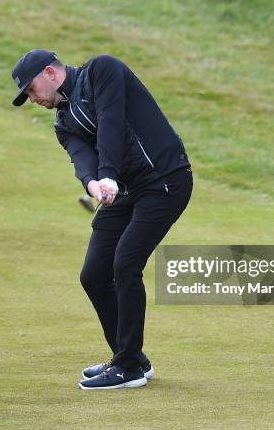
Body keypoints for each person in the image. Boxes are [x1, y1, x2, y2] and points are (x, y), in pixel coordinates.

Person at [11, 49, 193, 390]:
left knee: (124, 264)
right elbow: (82, 158)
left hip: (165, 180)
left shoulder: (102, 71)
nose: (32, 98)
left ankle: (127, 367)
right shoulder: (64, 123)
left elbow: (111, 121)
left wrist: (107, 173)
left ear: (50, 73)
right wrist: (93, 182)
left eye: (31, 89)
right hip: (124, 190)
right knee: (94, 274)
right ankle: (132, 359)